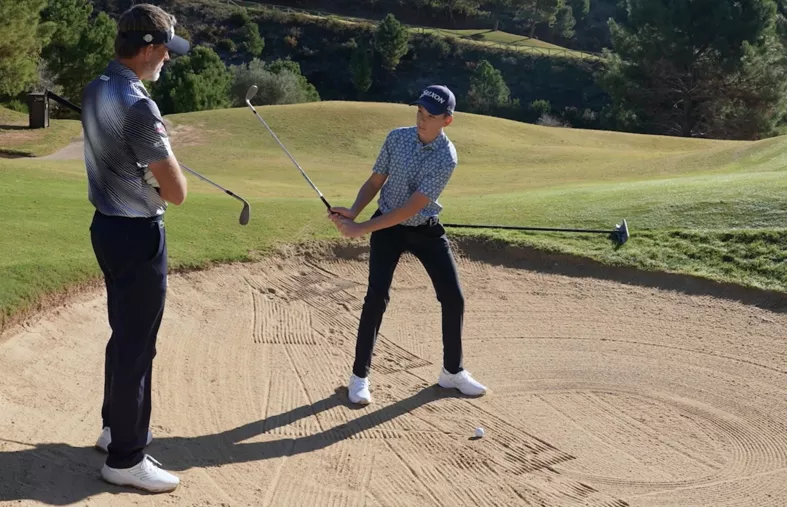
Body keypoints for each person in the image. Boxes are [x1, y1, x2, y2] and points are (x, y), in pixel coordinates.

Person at [81, 3, 190, 493]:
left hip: (105, 227)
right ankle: (126, 458)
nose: (168, 56)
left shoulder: (97, 87)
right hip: (139, 234)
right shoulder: (140, 106)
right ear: (147, 48)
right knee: (137, 346)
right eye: (165, 47)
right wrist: (164, 162)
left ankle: (113, 429)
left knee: (123, 335)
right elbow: (178, 192)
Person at [329, 85, 487, 405]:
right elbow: (376, 182)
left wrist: (361, 228)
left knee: (453, 297)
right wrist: (354, 211)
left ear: (447, 121)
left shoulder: (447, 157)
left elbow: (411, 208)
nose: (422, 120)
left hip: (424, 229)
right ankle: (359, 377)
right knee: (376, 297)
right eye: (419, 112)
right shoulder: (396, 138)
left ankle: (452, 373)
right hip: (388, 228)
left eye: (430, 116)